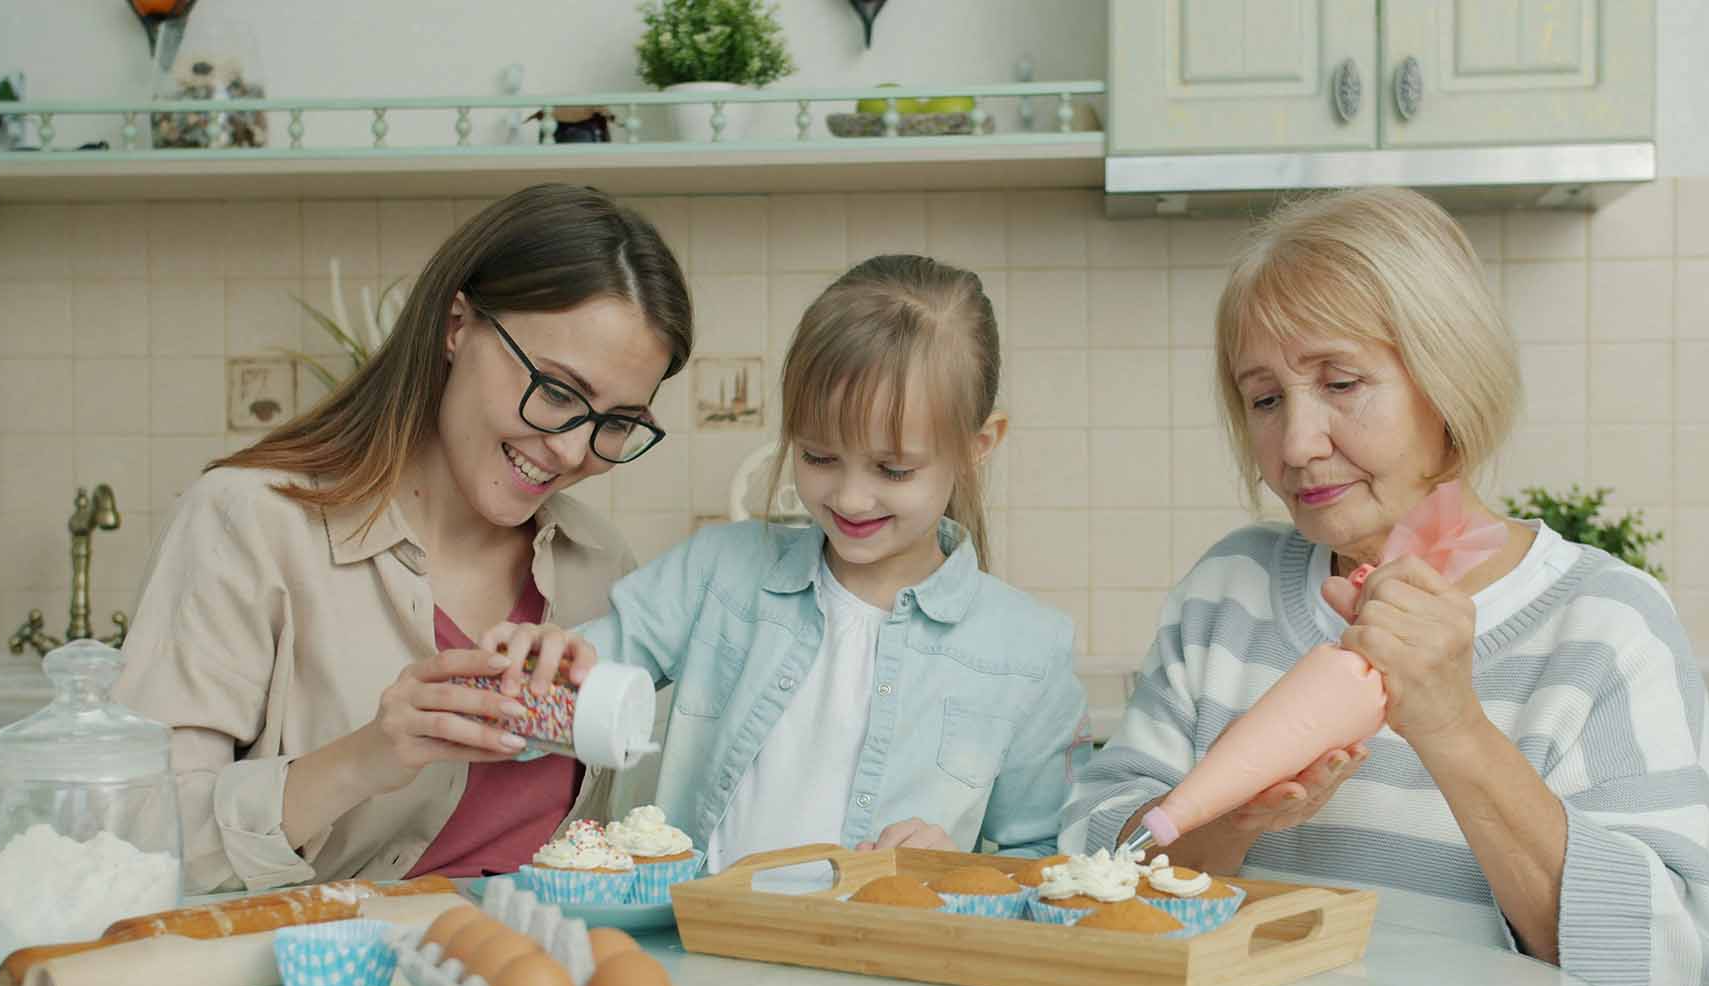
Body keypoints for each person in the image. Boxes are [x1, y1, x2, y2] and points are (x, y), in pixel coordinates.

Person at [1062, 188, 1709, 986]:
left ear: (1449, 379)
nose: (1297, 442)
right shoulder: (1225, 596)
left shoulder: (1604, 625)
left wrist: (1454, 726)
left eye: (1341, 384)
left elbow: (1666, 979)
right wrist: (1225, 829)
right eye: (1264, 399)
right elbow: (1082, 877)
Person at [114, 183, 693, 893]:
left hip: (534, 982)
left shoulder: (596, 562)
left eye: (618, 423)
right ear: (457, 325)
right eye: (558, 392)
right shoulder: (249, 523)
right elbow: (138, 843)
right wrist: (361, 761)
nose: (574, 454)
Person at [520, 254, 1090, 868]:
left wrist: (962, 867)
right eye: (818, 457)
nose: (848, 497)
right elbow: (552, 701)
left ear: (977, 448)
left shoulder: (1031, 653)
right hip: (702, 950)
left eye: (893, 469)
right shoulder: (715, 574)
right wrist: (527, 679)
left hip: (883, 960)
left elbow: (1048, 862)